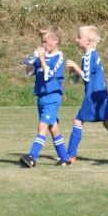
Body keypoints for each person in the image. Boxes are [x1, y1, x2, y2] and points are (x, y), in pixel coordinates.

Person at [65, 26, 108, 164]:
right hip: (101, 95)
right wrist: (75, 72)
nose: (76, 39)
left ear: (88, 41)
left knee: (77, 121)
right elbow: (85, 77)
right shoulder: (92, 56)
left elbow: (86, 77)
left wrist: (75, 66)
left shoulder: (89, 56)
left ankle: (70, 155)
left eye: (79, 37)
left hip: (93, 96)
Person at [20, 26, 71, 167]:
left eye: (45, 42)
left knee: (42, 126)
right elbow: (29, 72)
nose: (43, 45)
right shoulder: (42, 56)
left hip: (52, 96)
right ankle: (65, 158)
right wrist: (31, 60)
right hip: (41, 96)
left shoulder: (59, 57)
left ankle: (32, 157)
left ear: (56, 40)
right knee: (53, 128)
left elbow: (48, 75)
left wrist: (42, 58)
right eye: (41, 42)